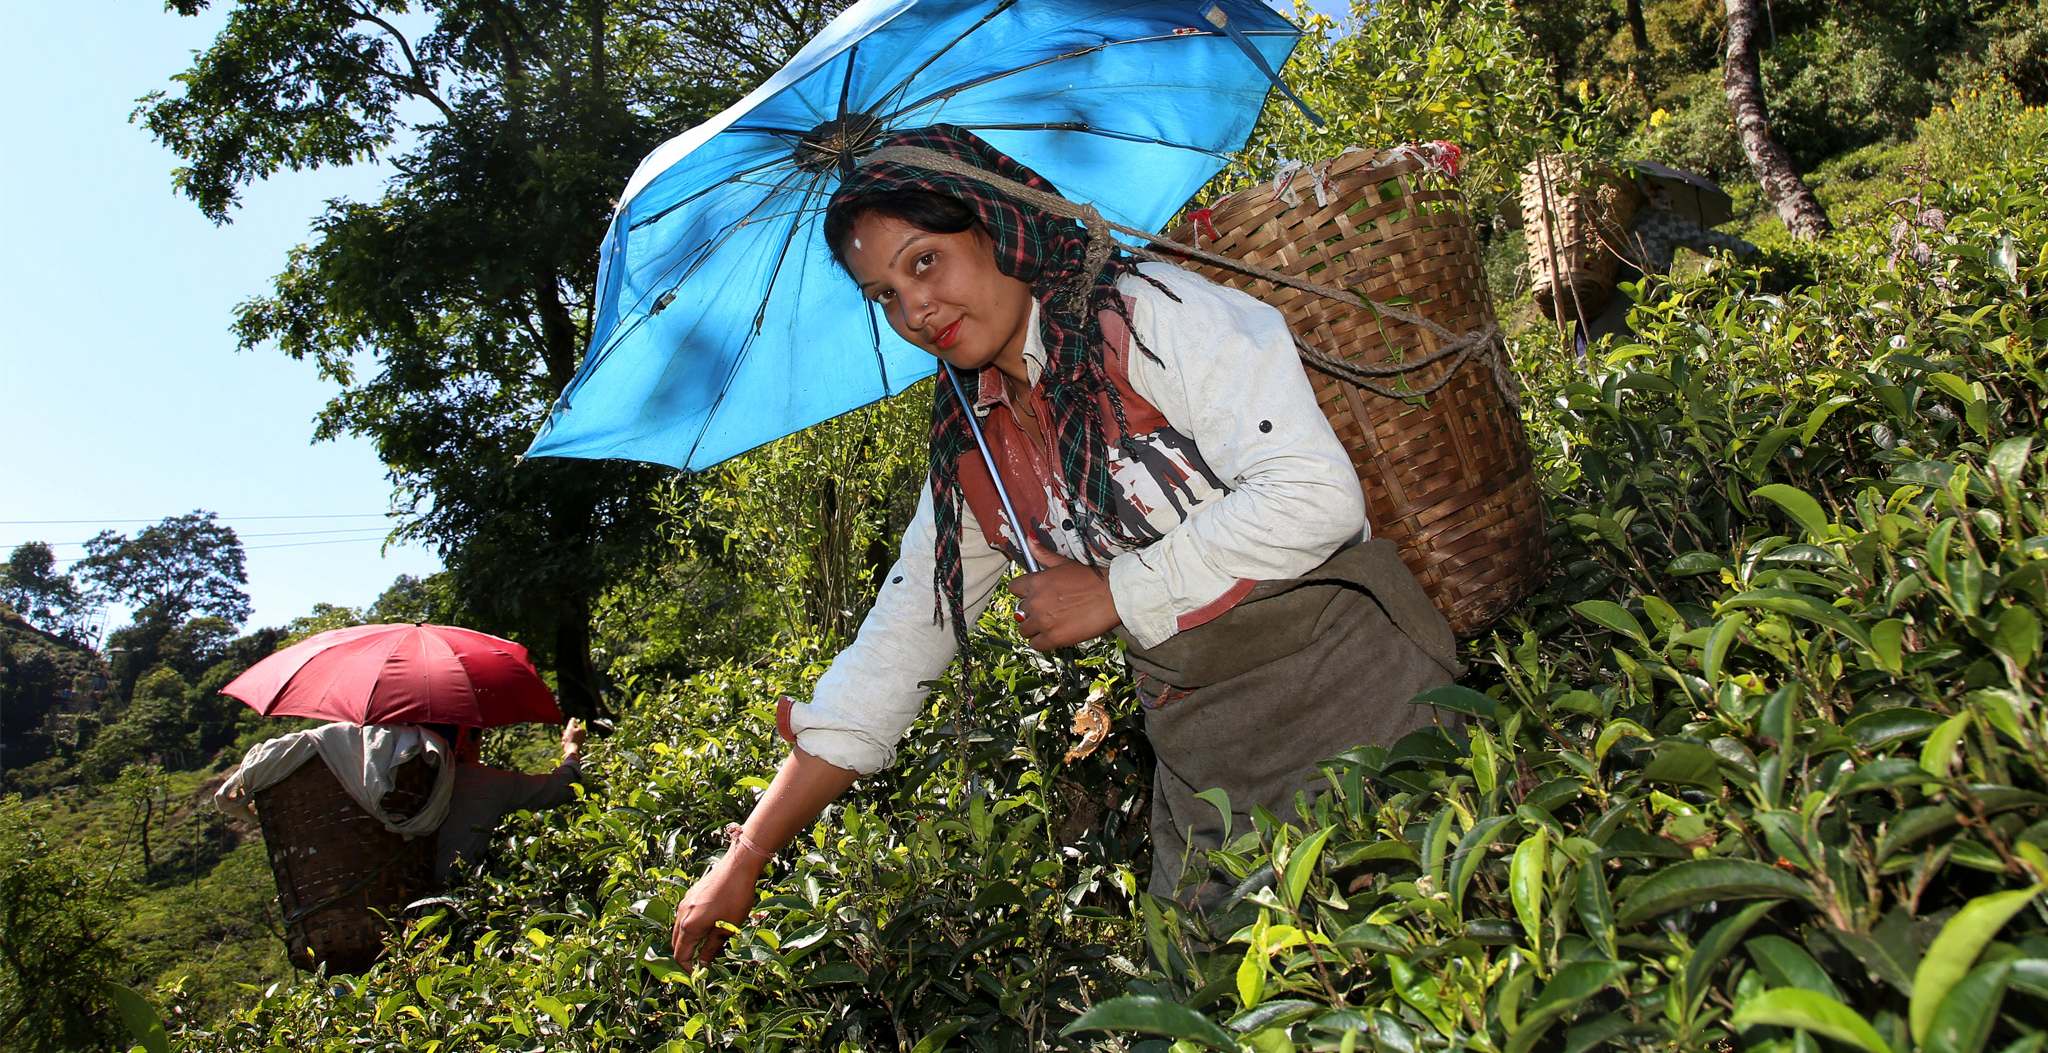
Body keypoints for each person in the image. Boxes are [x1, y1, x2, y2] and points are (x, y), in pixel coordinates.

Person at [670, 125, 1461, 967]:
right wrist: (747, 855)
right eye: (883, 295)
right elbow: (901, 642)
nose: (914, 310)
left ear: (996, 222)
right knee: (1197, 998)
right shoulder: (974, 445)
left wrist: (1116, 592)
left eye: (924, 261)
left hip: (1364, 709)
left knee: (1421, 963)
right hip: (1208, 764)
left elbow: (1315, 497)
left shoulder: (1151, 315)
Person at [431, 718, 586, 882]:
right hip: (452, 895)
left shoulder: (405, 777)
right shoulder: (479, 781)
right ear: (466, 739)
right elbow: (561, 787)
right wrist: (571, 747)